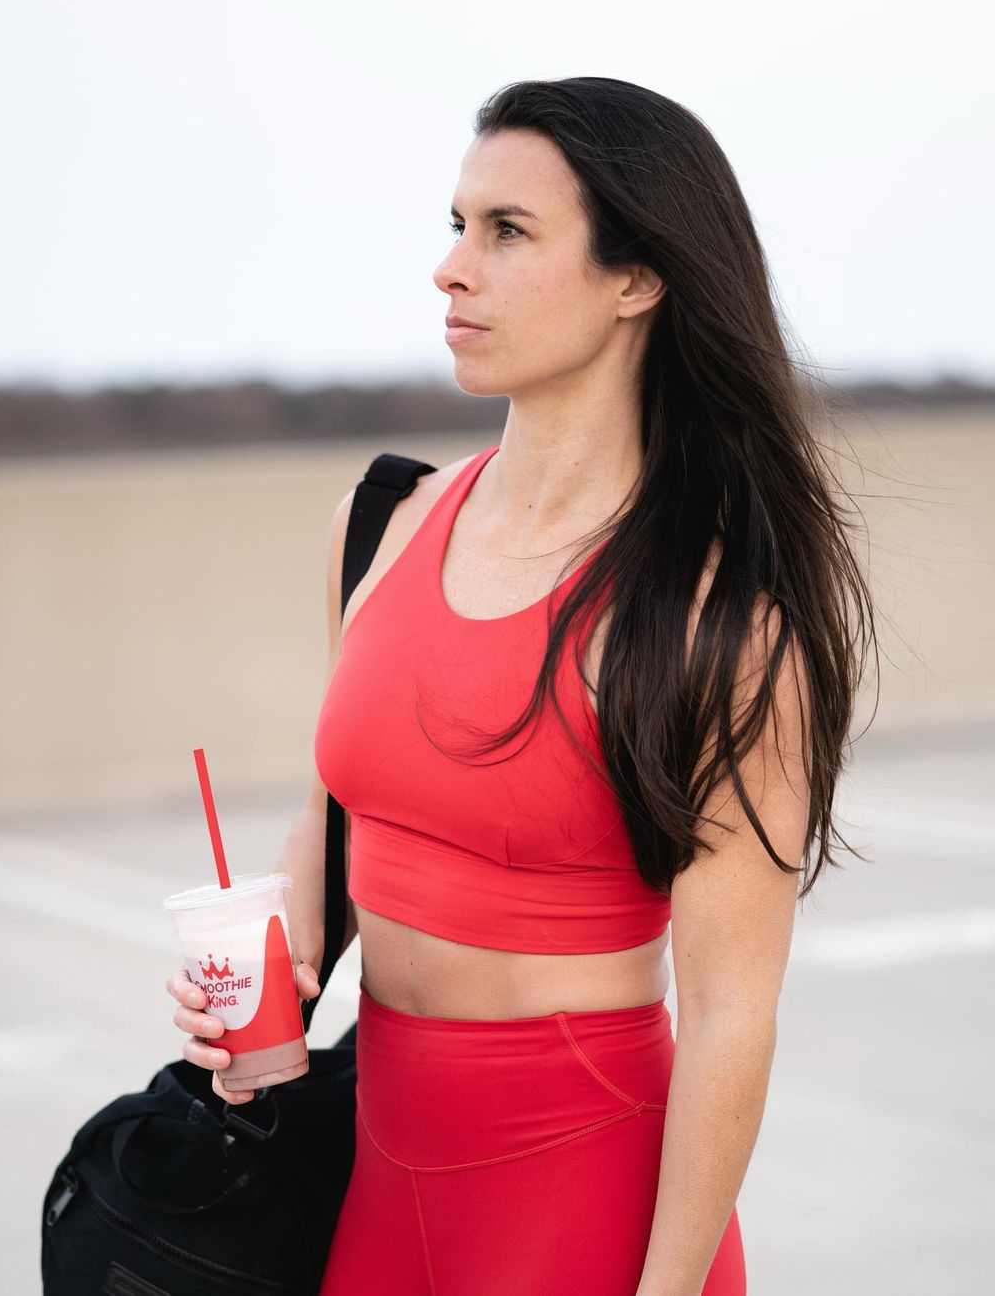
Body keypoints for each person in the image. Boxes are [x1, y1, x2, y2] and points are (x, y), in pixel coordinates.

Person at [166, 76, 876, 1295]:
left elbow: (729, 1016)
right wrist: (267, 967)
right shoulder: (378, 523)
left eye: (508, 232)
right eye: (457, 225)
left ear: (635, 278)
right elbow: (345, 812)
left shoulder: (714, 624)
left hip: (582, 1204)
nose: (451, 269)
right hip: (374, 1184)